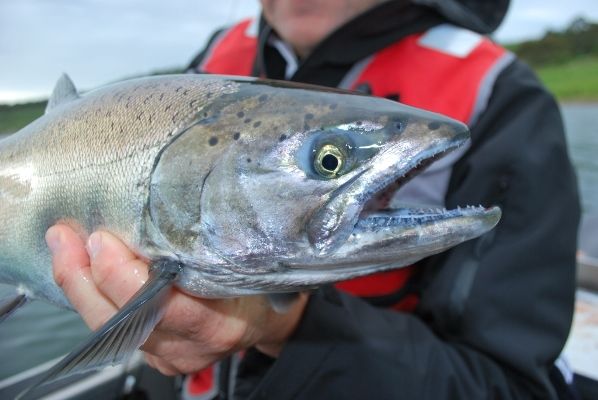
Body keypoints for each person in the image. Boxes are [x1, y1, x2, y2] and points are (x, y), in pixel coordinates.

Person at [46, 0, 581, 398]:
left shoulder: (503, 98)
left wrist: (290, 326)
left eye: (328, 162)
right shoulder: (214, 55)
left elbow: (509, 385)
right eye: (327, 161)